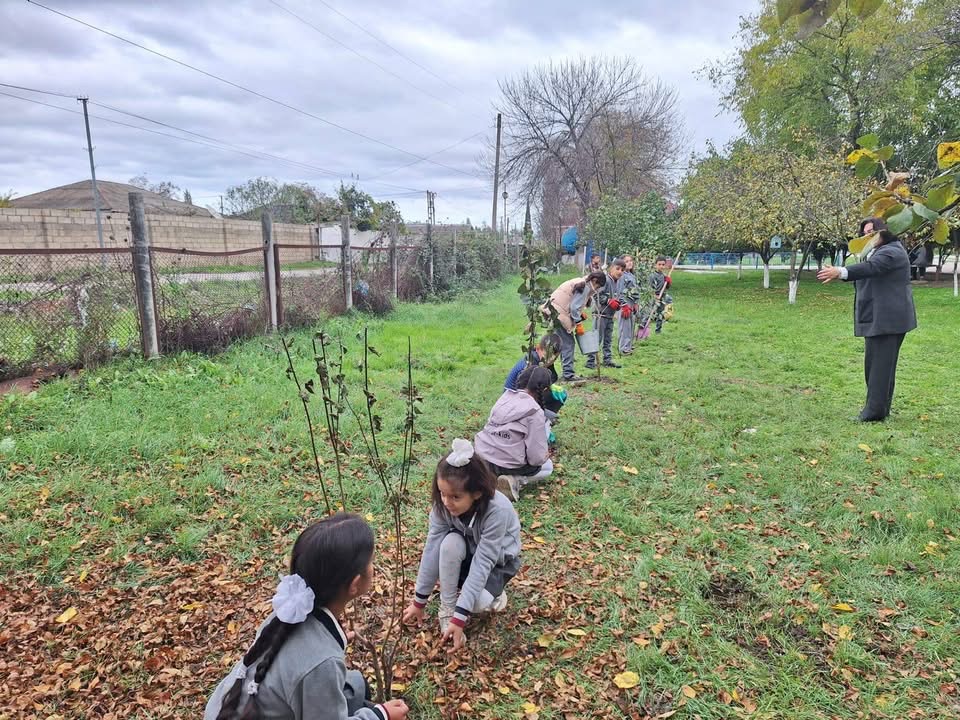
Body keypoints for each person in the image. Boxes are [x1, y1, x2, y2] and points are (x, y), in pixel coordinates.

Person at [204, 514, 409, 720]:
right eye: (371, 561)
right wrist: (380, 715)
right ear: (354, 584)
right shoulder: (323, 663)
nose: (373, 567)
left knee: (356, 684)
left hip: (223, 709)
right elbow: (315, 667)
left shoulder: (288, 611)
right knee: (357, 691)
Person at [402, 439, 522, 653]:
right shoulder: (443, 506)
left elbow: (484, 561)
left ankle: (494, 594)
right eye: (442, 493)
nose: (447, 502)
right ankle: (447, 609)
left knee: (476, 604)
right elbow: (432, 548)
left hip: (497, 561)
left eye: (455, 497)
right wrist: (419, 601)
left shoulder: (497, 511)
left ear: (477, 493)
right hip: (469, 548)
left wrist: (461, 618)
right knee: (449, 543)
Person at [816, 217, 917, 422]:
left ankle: (874, 413)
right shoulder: (880, 250)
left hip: (887, 320)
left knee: (878, 368)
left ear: (885, 231)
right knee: (880, 366)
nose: (867, 236)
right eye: (864, 233)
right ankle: (880, 409)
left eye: (871, 232)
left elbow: (872, 268)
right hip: (882, 318)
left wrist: (840, 272)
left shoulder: (891, 252)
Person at [474, 366, 554, 501]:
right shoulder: (535, 412)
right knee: (547, 467)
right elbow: (535, 458)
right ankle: (513, 480)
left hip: (482, 457)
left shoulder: (505, 397)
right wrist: (544, 455)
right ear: (545, 390)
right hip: (506, 464)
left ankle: (488, 476)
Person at [543, 272, 606, 381]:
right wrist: (579, 323)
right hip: (559, 314)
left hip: (553, 311)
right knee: (568, 343)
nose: (596, 289)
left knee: (556, 343)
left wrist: (580, 313)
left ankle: (546, 369)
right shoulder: (585, 286)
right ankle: (568, 374)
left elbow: (571, 300)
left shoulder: (581, 281)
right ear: (595, 281)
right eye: (598, 286)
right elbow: (573, 307)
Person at [585, 258, 626, 370]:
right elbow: (596, 294)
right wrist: (608, 301)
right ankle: (590, 361)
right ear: (611, 268)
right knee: (596, 338)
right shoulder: (605, 280)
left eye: (622, 270)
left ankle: (607, 359)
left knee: (608, 339)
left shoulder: (618, 283)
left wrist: (621, 305)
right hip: (600, 314)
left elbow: (618, 297)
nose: (620, 272)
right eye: (617, 268)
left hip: (610, 315)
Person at [639, 256, 673, 336]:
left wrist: (668, 282)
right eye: (659, 264)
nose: (661, 266)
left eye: (663, 265)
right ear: (655, 265)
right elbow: (649, 288)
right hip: (653, 296)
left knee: (660, 313)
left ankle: (658, 330)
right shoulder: (652, 275)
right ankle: (643, 324)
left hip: (662, 297)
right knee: (649, 311)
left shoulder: (664, 276)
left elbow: (666, 287)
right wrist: (654, 296)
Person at [618, 255, 639, 355]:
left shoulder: (632, 275)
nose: (629, 263)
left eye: (631, 260)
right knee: (625, 326)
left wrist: (636, 302)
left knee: (631, 325)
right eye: (626, 261)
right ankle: (624, 348)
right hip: (625, 303)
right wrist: (624, 305)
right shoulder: (622, 276)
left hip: (632, 302)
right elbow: (620, 291)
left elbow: (635, 291)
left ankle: (629, 345)